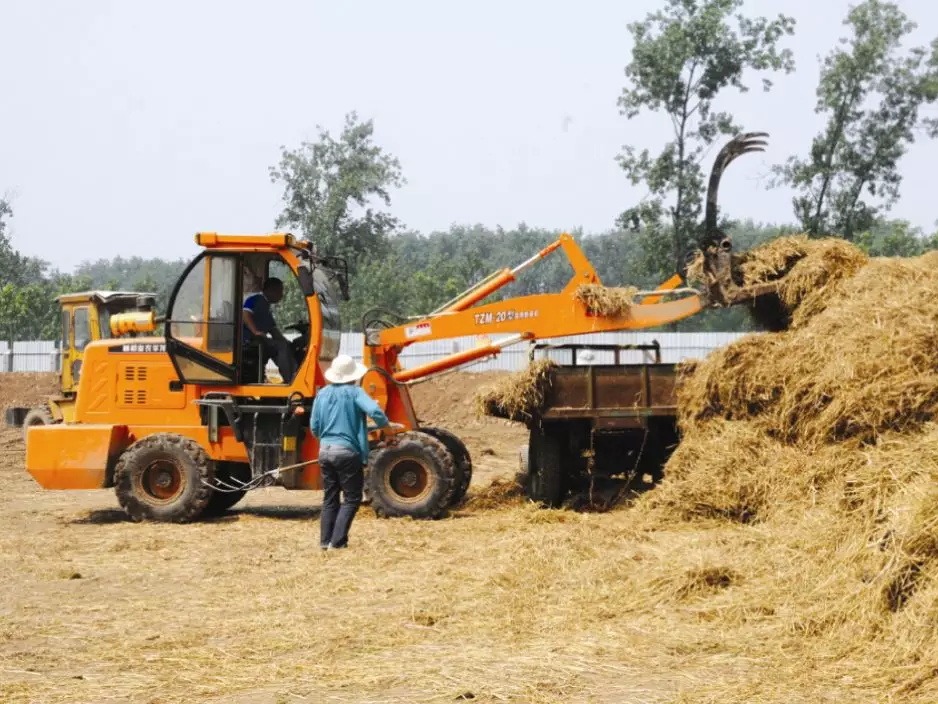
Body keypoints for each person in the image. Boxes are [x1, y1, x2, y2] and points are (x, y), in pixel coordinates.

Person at [310, 354, 398, 550]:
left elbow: (314, 427)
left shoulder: (322, 394)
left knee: (330, 497)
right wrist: (388, 431)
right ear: (353, 376)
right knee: (352, 498)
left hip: (325, 450)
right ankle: (338, 542)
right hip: (347, 453)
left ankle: (325, 542)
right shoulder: (354, 392)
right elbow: (375, 412)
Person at [242, 277, 296, 383]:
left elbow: (273, 330)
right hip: (249, 341)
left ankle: (293, 373)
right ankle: (291, 379)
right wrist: (255, 331)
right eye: (280, 291)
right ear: (271, 290)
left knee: (284, 345)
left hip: (260, 341)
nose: (281, 295)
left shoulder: (266, 307)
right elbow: (245, 314)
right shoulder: (256, 299)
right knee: (281, 347)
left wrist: (288, 342)